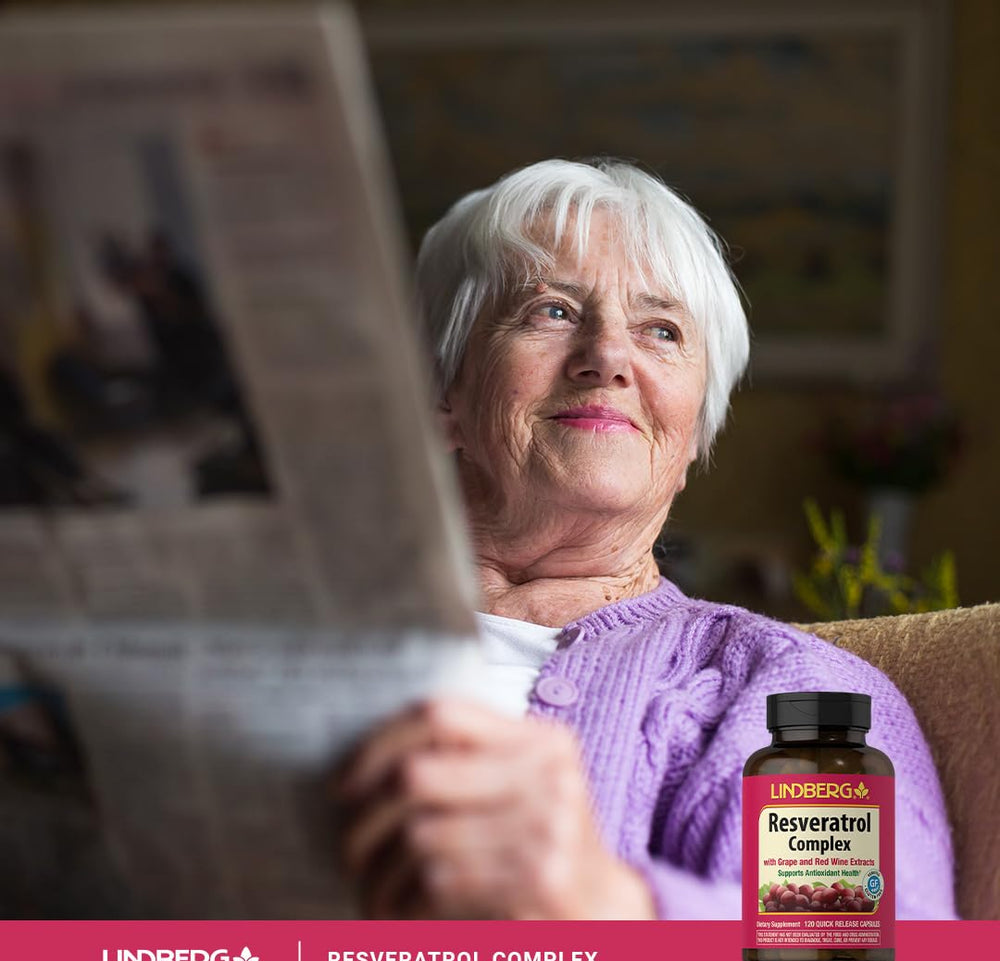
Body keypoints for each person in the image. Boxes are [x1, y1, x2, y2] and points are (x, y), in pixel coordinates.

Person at [337, 159, 956, 920]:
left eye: (661, 331)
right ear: (443, 395)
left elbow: (862, 954)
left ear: (692, 434)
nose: (608, 357)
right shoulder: (288, 629)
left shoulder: (794, 697)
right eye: (552, 311)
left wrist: (608, 905)